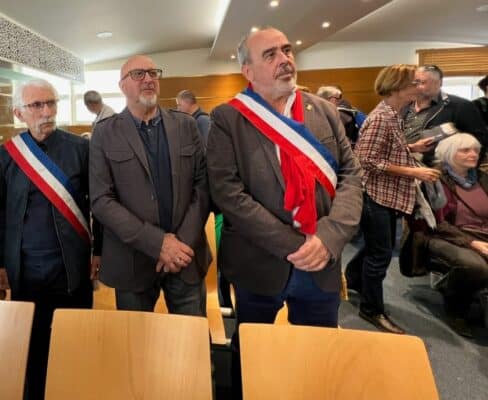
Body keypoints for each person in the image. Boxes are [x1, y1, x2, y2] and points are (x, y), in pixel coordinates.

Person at [207, 28, 362, 397]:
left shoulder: (323, 110)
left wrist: (328, 237)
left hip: (321, 260)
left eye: (287, 50)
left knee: (318, 355)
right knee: (253, 353)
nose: (285, 60)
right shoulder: (228, 118)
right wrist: (295, 245)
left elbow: (351, 175)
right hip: (259, 262)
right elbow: (228, 193)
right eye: (271, 54)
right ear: (248, 70)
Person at [0, 79, 97, 400]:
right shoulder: (4, 157)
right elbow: (0, 214)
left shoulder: (81, 149)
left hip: (72, 266)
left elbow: (98, 204)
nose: (47, 111)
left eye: (51, 103)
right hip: (25, 270)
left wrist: (99, 251)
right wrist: (0, 262)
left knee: (75, 340)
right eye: (37, 105)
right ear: (19, 113)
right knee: (33, 346)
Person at [90, 55, 210, 316]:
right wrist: (158, 244)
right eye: (138, 74)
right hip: (132, 262)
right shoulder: (105, 133)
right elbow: (101, 200)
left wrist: (179, 245)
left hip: (185, 257)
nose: (148, 79)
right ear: (122, 86)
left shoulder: (186, 125)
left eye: (153, 73)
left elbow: (202, 187)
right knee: (136, 340)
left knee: (193, 338)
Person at [346, 64, 441, 334]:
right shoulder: (381, 118)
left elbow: (386, 149)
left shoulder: (394, 114)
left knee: (378, 248)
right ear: (398, 87)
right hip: (375, 195)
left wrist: (411, 147)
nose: (419, 88)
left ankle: (353, 279)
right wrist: (413, 171)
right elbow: (367, 160)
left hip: (385, 195)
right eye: (414, 83)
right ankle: (371, 309)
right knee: (380, 255)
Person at [427, 133, 488, 338]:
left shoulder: (482, 178)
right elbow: (436, 223)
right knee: (476, 266)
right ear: (449, 153)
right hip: (447, 236)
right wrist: (471, 242)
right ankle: (455, 307)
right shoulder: (435, 179)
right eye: (466, 150)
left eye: (476, 150)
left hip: (481, 234)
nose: (474, 154)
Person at [402, 65, 488, 165]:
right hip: (400, 166)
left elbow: (479, 141)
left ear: (439, 83)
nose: (417, 86)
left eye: (423, 82)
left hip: (439, 168)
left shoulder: (460, 106)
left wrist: (467, 170)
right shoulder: (403, 104)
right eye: (415, 82)